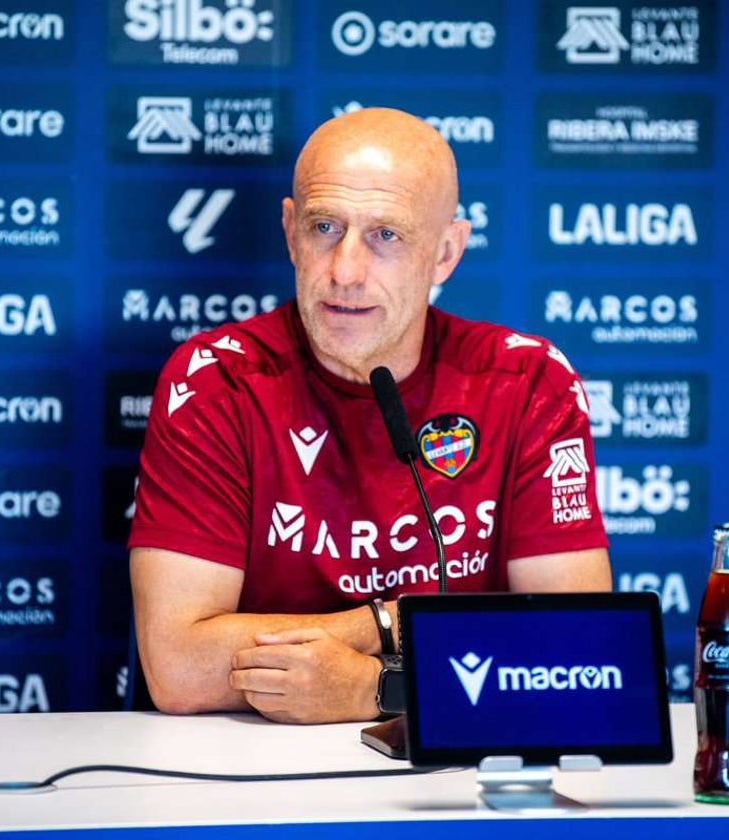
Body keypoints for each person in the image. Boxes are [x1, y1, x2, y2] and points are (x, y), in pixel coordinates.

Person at [128, 107, 611, 724]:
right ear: (289, 233)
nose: (346, 272)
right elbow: (179, 667)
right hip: (248, 772)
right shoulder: (216, 382)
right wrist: (390, 622)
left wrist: (372, 688)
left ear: (445, 253)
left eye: (387, 235)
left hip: (462, 767)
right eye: (324, 226)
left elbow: (580, 647)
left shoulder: (528, 381)